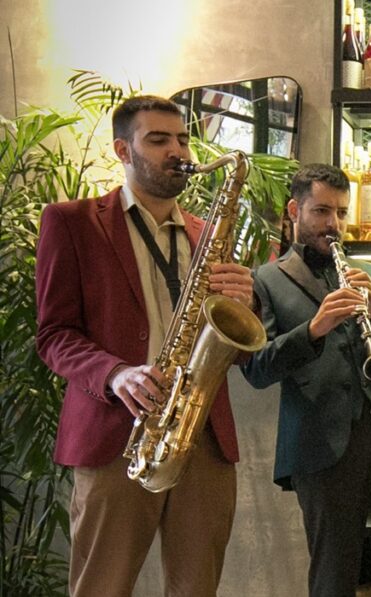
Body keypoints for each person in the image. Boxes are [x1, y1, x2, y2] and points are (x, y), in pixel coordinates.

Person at [35, 95, 255, 596]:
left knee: (197, 588)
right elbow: (54, 335)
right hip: (116, 433)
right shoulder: (72, 221)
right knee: (102, 587)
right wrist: (117, 374)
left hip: (201, 434)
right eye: (158, 140)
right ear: (123, 150)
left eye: (182, 139)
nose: (177, 151)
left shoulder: (207, 233)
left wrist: (245, 301)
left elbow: (241, 349)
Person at [240, 163, 371, 597]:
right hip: (321, 445)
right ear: (294, 210)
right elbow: (257, 369)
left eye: (341, 212)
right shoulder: (264, 281)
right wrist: (312, 330)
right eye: (322, 212)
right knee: (333, 574)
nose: (335, 225)